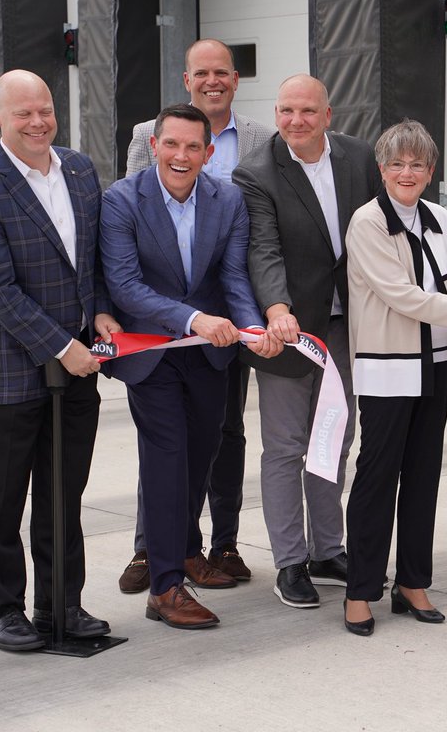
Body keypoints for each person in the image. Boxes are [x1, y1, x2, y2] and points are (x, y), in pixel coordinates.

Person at [0, 69, 119, 650]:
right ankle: (4, 610)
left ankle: (61, 601)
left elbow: (93, 259)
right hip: (4, 369)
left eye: (45, 109)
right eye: (23, 113)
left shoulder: (81, 169)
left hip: (78, 366)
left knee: (63, 493)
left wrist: (103, 316)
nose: (38, 121)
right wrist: (62, 347)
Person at [101, 104, 281, 629]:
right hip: (150, 354)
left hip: (210, 355)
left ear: (208, 152)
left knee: (199, 458)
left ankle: (181, 552)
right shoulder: (122, 201)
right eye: (172, 145)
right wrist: (194, 318)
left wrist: (252, 331)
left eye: (193, 147)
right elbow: (124, 285)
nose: (182, 156)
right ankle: (164, 588)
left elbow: (235, 277)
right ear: (154, 146)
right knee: (166, 458)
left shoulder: (227, 200)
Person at [342, 120, 447, 636]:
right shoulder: (367, 223)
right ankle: (361, 591)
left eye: (417, 164)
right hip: (387, 368)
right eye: (397, 163)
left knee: (422, 477)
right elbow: (402, 295)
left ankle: (412, 582)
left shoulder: (440, 218)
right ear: (382, 169)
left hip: (436, 365)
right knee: (376, 479)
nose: (407, 172)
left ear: (431, 170)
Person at [233, 75, 381, 608]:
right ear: (275, 113)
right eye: (286, 110)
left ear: (328, 114)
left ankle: (328, 549)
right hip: (290, 332)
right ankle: (291, 562)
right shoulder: (255, 173)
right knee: (286, 447)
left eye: (308, 111)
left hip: (350, 325)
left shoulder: (361, 158)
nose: (296, 121)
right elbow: (262, 250)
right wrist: (277, 311)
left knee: (336, 438)